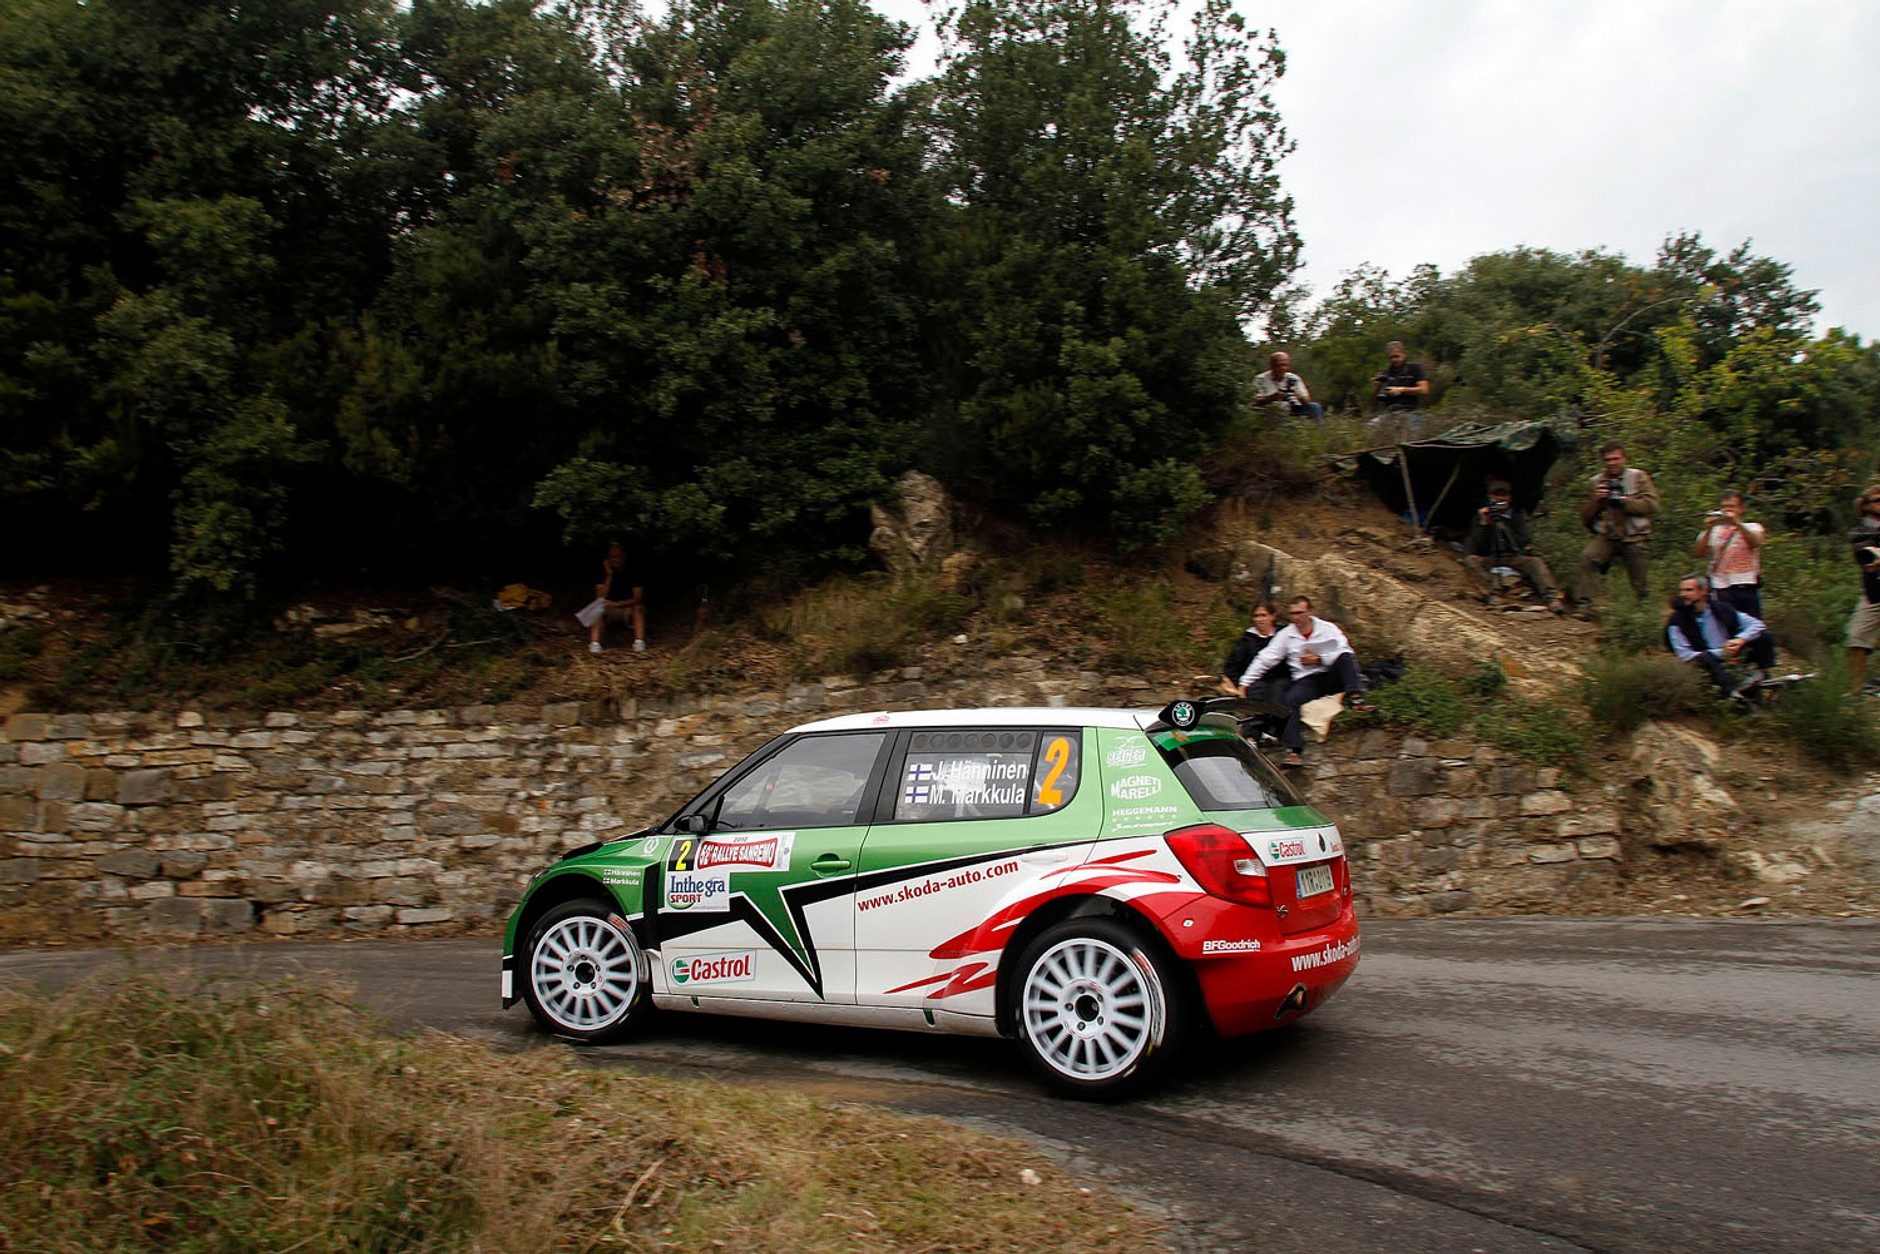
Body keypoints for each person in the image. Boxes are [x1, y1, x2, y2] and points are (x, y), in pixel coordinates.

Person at [1236, 596, 1372, 767]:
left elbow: (1344, 651)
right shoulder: (1287, 634)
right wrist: (1245, 682)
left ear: (1310, 612)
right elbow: (1266, 658)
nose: (1296, 617)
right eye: (1293, 614)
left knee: (1346, 657)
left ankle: (1356, 697)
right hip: (1308, 680)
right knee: (1290, 699)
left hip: (1330, 673)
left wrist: (1320, 659)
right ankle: (1294, 750)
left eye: (1300, 613)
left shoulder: (1327, 629)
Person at [1574, 440, 1659, 617]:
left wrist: (1624, 502)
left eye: (1615, 459)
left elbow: (1652, 505)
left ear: (1624, 458)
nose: (1612, 463)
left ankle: (1644, 613)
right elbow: (1584, 516)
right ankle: (1584, 606)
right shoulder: (1596, 482)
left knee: (1640, 579)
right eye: (1607, 460)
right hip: (1608, 534)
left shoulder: (1638, 477)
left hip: (1634, 535)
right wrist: (1596, 501)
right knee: (1587, 558)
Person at [1464, 479, 1567, 613]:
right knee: (1471, 561)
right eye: (1495, 496)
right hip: (1490, 557)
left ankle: (1552, 598)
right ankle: (1493, 593)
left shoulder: (1517, 515)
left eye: (1503, 496)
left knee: (1536, 562)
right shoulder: (1482, 515)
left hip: (1513, 556)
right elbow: (1478, 546)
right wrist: (1485, 524)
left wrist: (1504, 525)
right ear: (1489, 497)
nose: (1499, 499)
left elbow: (1525, 539)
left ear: (1509, 498)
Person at [1666, 573, 1775, 699]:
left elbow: (1757, 625)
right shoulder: (1676, 620)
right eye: (1682, 590)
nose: (1683, 594)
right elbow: (1684, 654)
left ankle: (1760, 675)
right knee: (1706, 658)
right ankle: (1733, 695)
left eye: (1689, 590)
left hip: (1733, 654)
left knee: (1764, 637)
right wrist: (1721, 652)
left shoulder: (1721, 609)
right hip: (1706, 663)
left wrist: (1740, 639)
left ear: (1704, 591)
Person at [1693, 490, 1766, 619]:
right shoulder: (1714, 531)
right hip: (1721, 587)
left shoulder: (1753, 527)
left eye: (1731, 506)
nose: (1727, 510)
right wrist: (1709, 528)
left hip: (1747, 585)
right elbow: (1699, 552)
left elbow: (1755, 543)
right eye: (1723, 507)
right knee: (1726, 625)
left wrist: (1736, 523)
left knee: (1753, 626)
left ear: (1741, 509)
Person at [1848, 485, 1880, 695]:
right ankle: (1855, 692)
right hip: (1874, 594)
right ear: (1866, 505)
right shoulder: (1860, 531)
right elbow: (1866, 557)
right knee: (1856, 637)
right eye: (1877, 500)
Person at [1219, 603, 1286, 702]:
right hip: (1253, 684)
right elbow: (1231, 668)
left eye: (1263, 615)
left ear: (1273, 616)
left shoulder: (1284, 636)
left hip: (1280, 680)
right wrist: (1239, 685)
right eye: (1256, 616)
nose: (1259, 619)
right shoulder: (1245, 641)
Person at [587, 542, 645, 654]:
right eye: (613, 557)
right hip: (608, 607)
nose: (616, 560)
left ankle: (639, 643)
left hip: (626, 607)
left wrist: (618, 604)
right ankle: (594, 644)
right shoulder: (602, 571)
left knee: (637, 608)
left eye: (619, 556)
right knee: (596, 608)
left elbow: (637, 598)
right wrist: (609, 576)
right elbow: (600, 597)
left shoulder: (633, 570)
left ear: (624, 557)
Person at [1371, 341, 1430, 437]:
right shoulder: (1386, 372)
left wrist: (1402, 390)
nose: (1394, 360)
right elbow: (1375, 398)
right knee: (1371, 429)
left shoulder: (1414, 369)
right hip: (1390, 412)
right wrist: (1378, 385)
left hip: (1410, 410)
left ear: (1404, 354)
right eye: (1391, 357)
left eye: (1396, 356)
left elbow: (1424, 390)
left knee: (1412, 437)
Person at [1252, 351, 1324, 425]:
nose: (1282, 368)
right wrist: (1272, 398)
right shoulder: (1260, 379)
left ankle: (1318, 432)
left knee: (1314, 406)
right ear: (1272, 366)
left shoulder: (1293, 378)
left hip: (1294, 407)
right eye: (1279, 365)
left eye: (1285, 365)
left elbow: (1307, 400)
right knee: (1281, 406)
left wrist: (1298, 396)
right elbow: (1255, 401)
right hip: (1272, 410)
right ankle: (1283, 433)